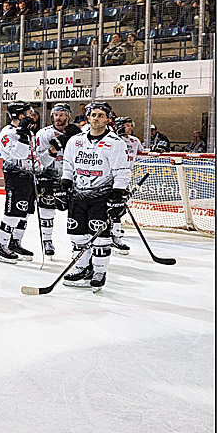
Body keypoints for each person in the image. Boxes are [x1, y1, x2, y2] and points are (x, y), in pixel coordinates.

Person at [61, 102, 132, 292]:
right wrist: (64, 185)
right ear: (88, 117)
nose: (96, 118)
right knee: (77, 235)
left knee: (100, 237)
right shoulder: (75, 141)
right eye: (93, 115)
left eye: (101, 115)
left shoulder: (115, 143)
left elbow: (121, 171)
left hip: (101, 197)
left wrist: (118, 195)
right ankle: (82, 268)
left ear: (108, 119)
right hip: (78, 195)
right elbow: (68, 165)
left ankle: (99, 272)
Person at [0, 102, 41, 264]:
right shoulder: (8, 132)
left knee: (25, 213)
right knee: (13, 213)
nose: (31, 115)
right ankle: (0, 245)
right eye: (28, 112)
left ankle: (15, 242)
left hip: (30, 176)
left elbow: (32, 154)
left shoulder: (29, 132)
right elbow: (17, 154)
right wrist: (23, 134)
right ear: (19, 115)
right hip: (15, 176)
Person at [32, 104, 81, 258]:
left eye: (62, 115)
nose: (58, 118)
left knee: (76, 212)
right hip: (49, 177)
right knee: (46, 211)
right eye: (56, 115)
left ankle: (77, 244)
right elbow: (40, 161)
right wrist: (55, 148)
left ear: (68, 116)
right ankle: (47, 240)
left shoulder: (78, 134)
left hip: (71, 178)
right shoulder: (43, 134)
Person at [111, 116, 145, 254]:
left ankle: (114, 230)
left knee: (121, 206)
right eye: (127, 125)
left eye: (131, 125)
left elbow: (143, 152)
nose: (130, 128)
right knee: (113, 206)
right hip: (111, 176)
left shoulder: (134, 140)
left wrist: (157, 150)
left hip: (125, 176)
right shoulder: (111, 139)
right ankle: (114, 233)